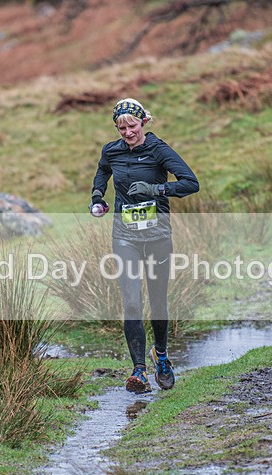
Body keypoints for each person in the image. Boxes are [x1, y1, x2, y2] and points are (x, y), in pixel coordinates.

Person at [89, 98, 199, 393]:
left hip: (158, 235)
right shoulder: (111, 151)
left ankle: (160, 355)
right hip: (124, 235)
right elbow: (102, 172)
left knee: (158, 300)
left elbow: (191, 183)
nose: (126, 133)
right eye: (120, 127)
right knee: (132, 301)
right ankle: (139, 370)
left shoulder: (159, 150)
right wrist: (98, 196)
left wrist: (158, 188)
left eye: (132, 126)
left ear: (144, 122)